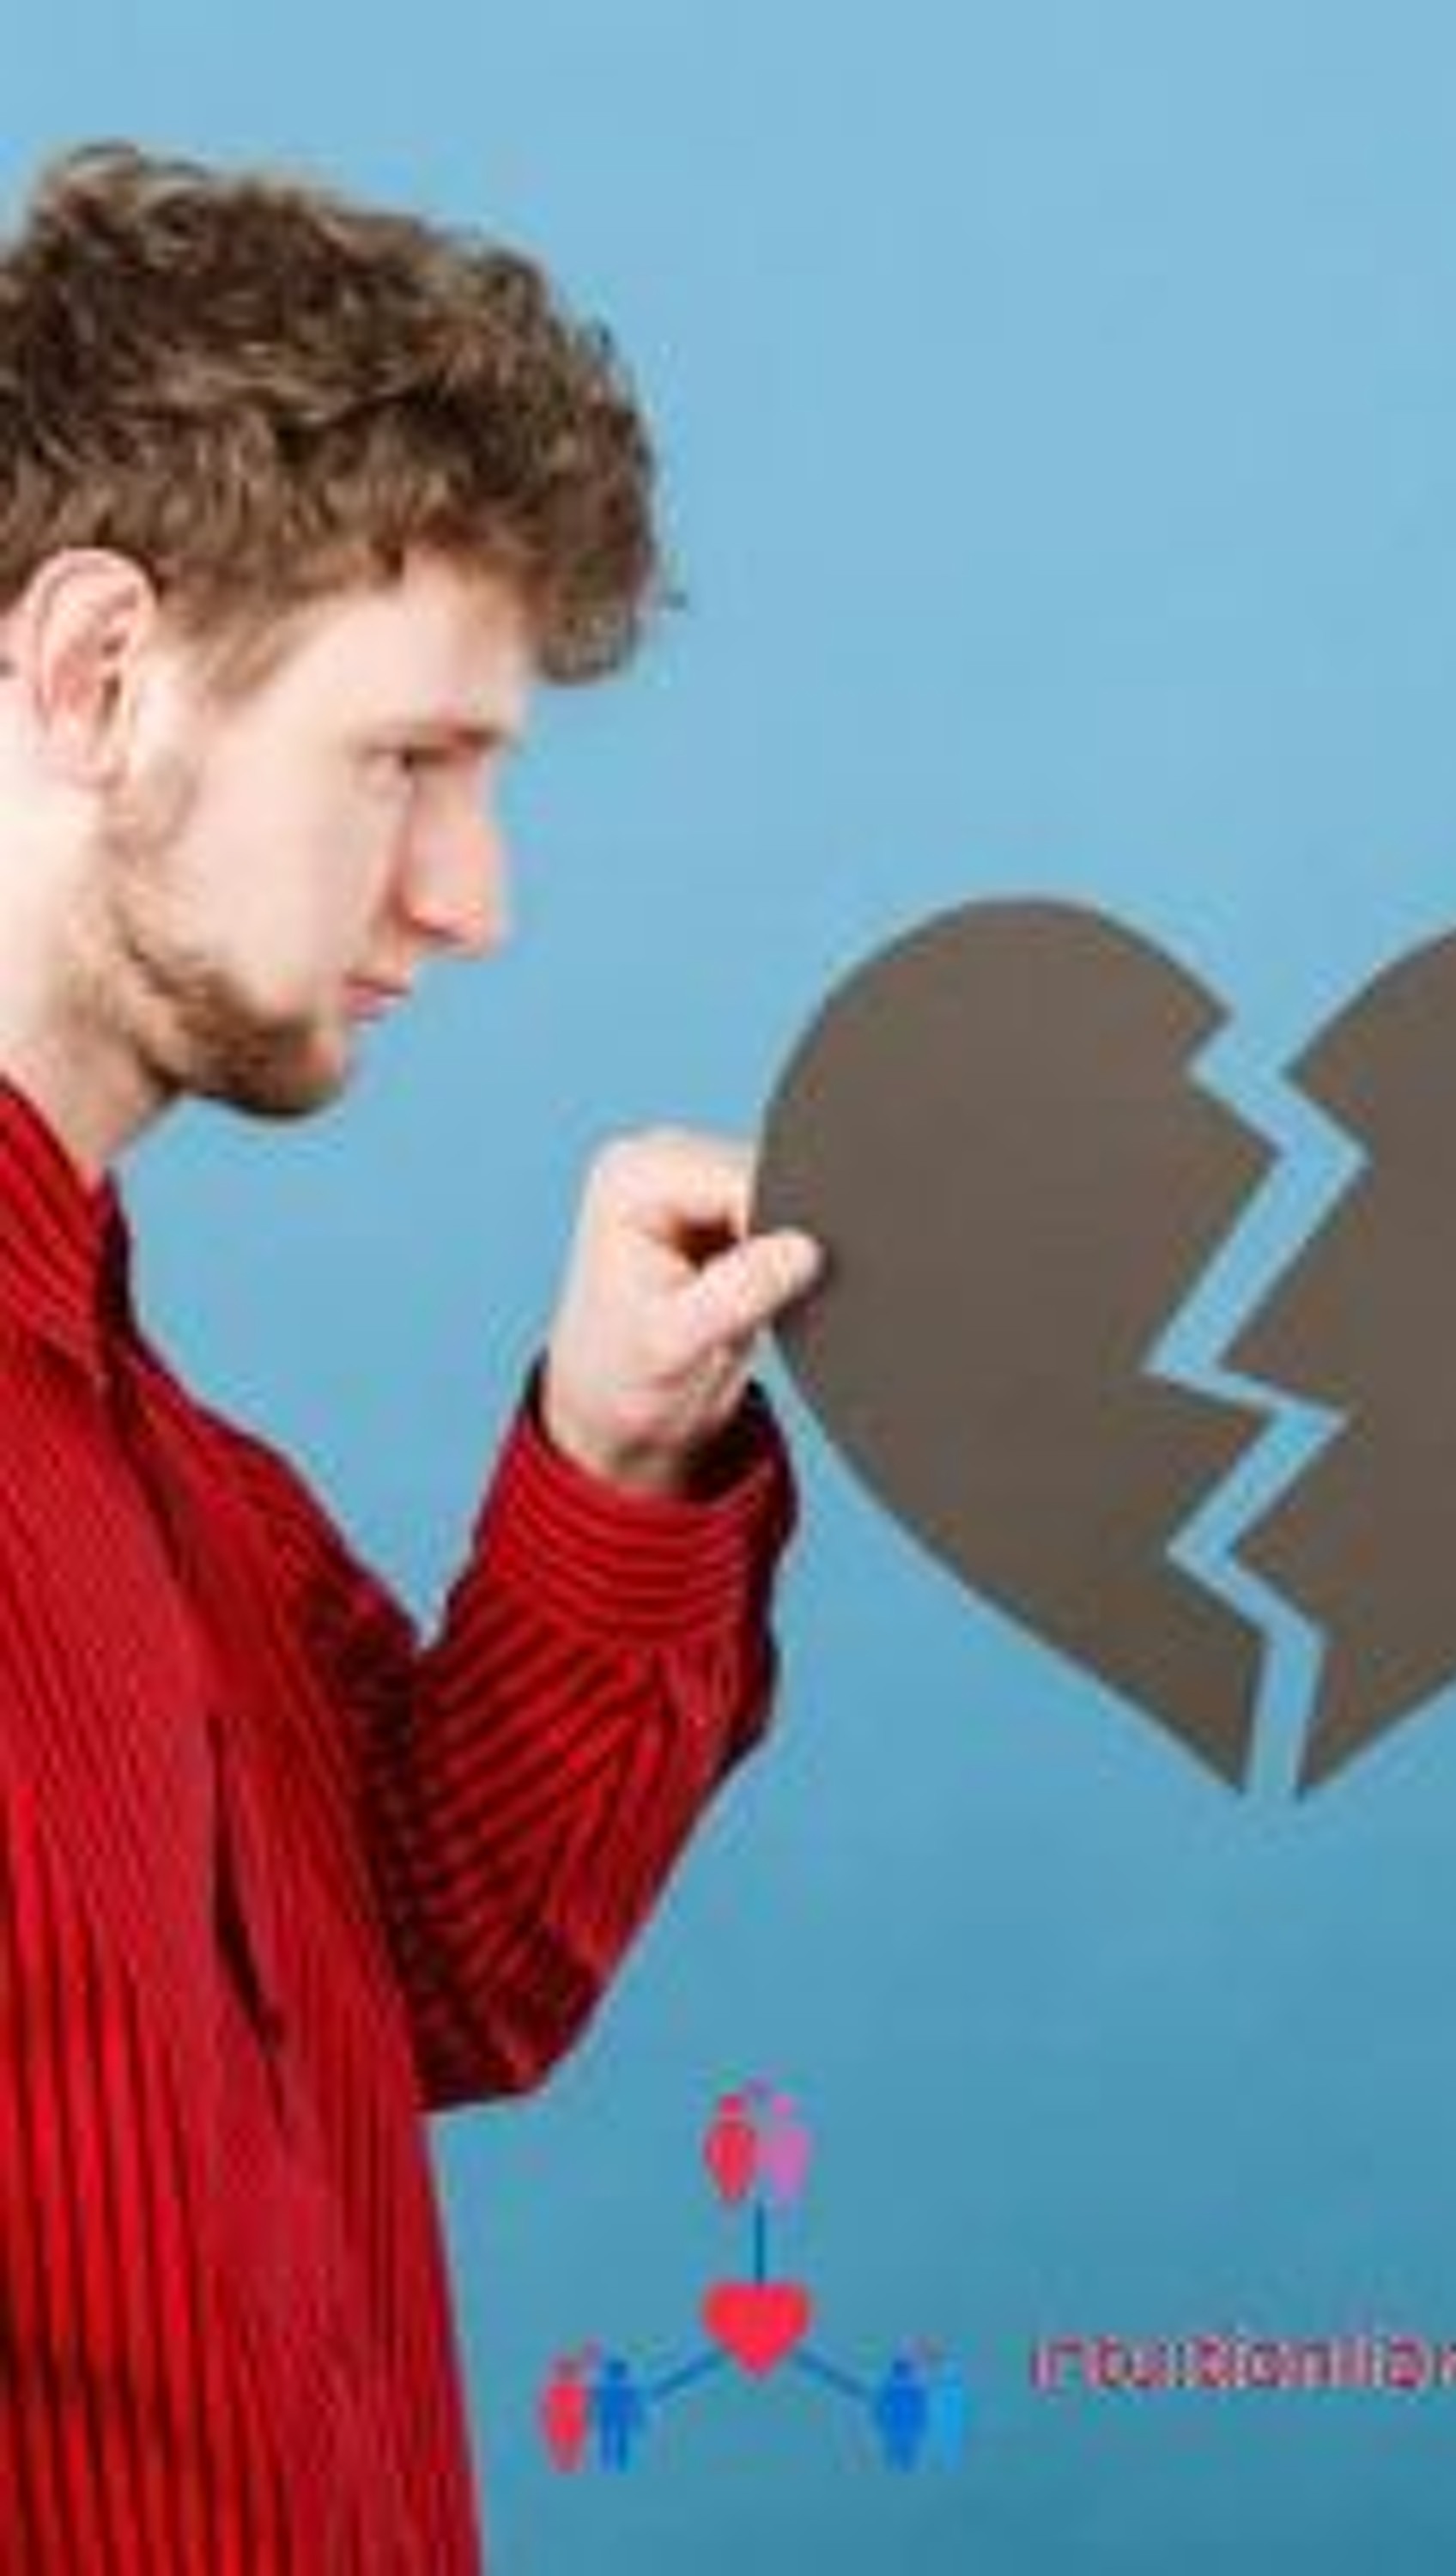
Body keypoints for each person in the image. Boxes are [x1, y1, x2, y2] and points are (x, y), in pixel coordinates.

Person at [0, 143, 822, 2570]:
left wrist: (616, 1457)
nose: (474, 901)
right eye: (408, 763)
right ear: (97, 670)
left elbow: (440, 1967)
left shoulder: (163, 1470)